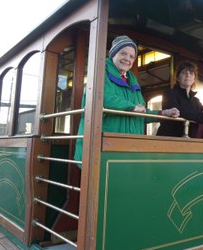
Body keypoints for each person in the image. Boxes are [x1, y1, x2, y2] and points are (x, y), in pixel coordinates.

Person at [74, 35, 179, 164]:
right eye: (123, 53)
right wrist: (132, 107)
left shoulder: (132, 80)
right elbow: (101, 97)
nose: (127, 59)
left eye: (131, 56)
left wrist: (163, 113)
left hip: (130, 148)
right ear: (113, 54)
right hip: (104, 147)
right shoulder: (99, 71)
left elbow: (141, 113)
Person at [156, 61, 203, 138]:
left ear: (194, 79)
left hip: (189, 140)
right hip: (168, 138)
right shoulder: (169, 94)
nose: (188, 75)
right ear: (178, 78)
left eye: (191, 73)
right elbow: (181, 112)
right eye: (184, 73)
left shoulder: (195, 100)